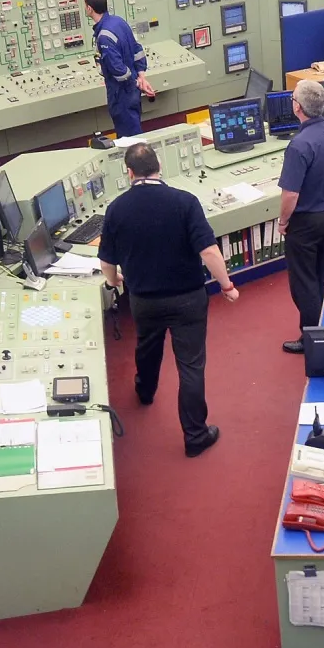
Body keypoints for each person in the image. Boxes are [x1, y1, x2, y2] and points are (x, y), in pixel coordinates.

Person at [99, 142, 237, 456]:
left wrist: (114, 281)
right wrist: (227, 286)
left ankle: (145, 391)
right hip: (188, 299)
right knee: (190, 366)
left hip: (144, 301)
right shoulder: (185, 202)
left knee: (147, 347)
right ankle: (195, 436)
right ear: (159, 167)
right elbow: (209, 251)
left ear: (129, 172)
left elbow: (106, 261)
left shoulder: (116, 209)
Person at [277, 78, 324, 354]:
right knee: (323, 273)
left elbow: (290, 196)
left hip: (305, 223)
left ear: (298, 107)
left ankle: (312, 340)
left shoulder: (298, 146)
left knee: (304, 283)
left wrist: (283, 222)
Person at [86, 0, 154, 138]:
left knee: (130, 141)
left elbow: (118, 70)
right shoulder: (119, 22)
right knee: (134, 131)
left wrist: (135, 83)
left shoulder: (104, 36)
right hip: (133, 91)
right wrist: (141, 78)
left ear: (90, 9)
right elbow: (137, 49)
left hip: (121, 94)